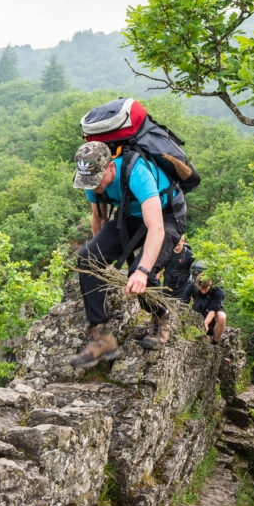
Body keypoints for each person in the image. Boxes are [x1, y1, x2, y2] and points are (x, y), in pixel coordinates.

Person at [69, 141, 186, 368]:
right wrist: (101, 259)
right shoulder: (93, 181)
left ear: (111, 167)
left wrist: (142, 271)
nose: (92, 187)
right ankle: (101, 337)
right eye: (88, 183)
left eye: (96, 181)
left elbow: (157, 227)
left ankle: (161, 316)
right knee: (87, 259)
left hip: (166, 216)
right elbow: (99, 219)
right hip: (129, 217)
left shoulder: (137, 173)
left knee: (141, 274)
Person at [189, 274, 227, 343]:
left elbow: (213, 309)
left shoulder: (218, 289)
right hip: (199, 307)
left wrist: (205, 323)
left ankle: (215, 342)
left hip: (213, 307)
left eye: (205, 288)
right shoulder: (192, 286)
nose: (203, 291)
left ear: (210, 285)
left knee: (222, 317)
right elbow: (183, 300)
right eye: (201, 288)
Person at [163, 235, 195, 302]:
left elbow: (194, 274)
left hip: (183, 287)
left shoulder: (189, 255)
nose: (176, 247)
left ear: (183, 241)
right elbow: (159, 269)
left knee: (181, 307)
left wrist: (194, 292)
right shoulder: (167, 252)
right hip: (167, 286)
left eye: (178, 245)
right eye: (175, 245)